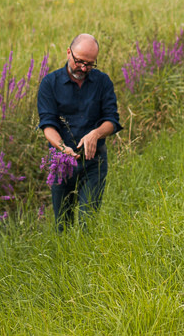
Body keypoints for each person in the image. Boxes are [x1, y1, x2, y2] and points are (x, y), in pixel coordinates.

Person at [37, 33, 122, 229]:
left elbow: (112, 121)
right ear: (68, 53)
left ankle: (88, 258)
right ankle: (65, 258)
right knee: (62, 225)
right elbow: (47, 125)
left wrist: (95, 134)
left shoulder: (103, 82)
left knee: (87, 223)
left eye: (90, 64)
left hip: (94, 162)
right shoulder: (49, 84)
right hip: (61, 161)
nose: (83, 68)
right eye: (79, 62)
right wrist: (62, 147)